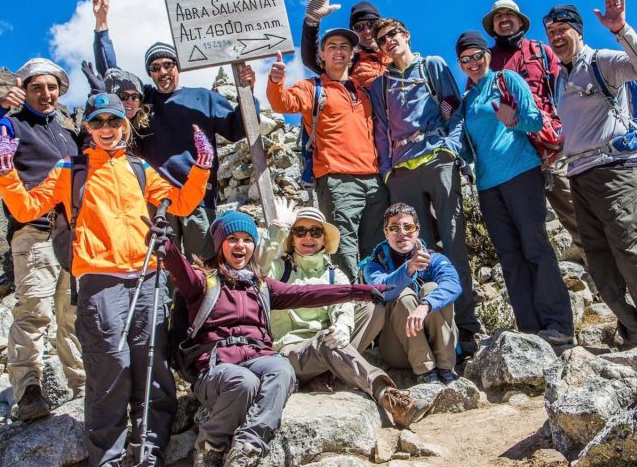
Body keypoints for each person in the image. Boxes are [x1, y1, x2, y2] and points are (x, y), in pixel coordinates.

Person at [0, 92, 212, 466]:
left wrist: (201, 167)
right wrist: (6, 172)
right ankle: (108, 457)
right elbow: (26, 208)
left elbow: (182, 203)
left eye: (114, 121)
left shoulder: (140, 169)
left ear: (124, 125)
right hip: (99, 282)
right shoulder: (68, 170)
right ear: (87, 127)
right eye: (98, 122)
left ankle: (149, 453)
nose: (106, 129)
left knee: (152, 369)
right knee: (110, 369)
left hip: (147, 279)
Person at [163, 211, 389, 467]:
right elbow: (179, 270)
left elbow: (310, 294)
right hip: (217, 367)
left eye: (247, 239)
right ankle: (210, 447)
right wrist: (167, 245)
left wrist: (359, 292)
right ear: (219, 245)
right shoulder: (203, 281)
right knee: (244, 382)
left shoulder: (261, 285)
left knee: (281, 369)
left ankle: (248, 447)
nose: (241, 246)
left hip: (258, 358)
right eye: (232, 239)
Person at [543, 0, 637, 347]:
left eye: (563, 30)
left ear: (578, 31)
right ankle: (634, 333)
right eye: (551, 33)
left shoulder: (601, 61)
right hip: (578, 176)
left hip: (615, 171)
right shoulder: (561, 78)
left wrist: (620, 29)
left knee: (629, 250)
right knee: (600, 262)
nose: (557, 38)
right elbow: (577, 129)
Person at [91, 0, 258, 260]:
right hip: (155, 199)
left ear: (178, 66)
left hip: (199, 198)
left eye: (168, 64)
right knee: (162, 270)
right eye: (155, 68)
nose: (163, 71)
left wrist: (247, 93)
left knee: (201, 269)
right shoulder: (144, 100)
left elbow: (238, 129)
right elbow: (111, 74)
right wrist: (102, 26)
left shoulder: (203, 97)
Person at [0, 58, 84, 422]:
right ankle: (29, 389)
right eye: (37, 88)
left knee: (72, 314)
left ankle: (82, 385)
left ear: (60, 92)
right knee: (35, 311)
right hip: (34, 231)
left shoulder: (68, 134)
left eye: (51, 88)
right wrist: (2, 105)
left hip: (72, 235)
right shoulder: (12, 126)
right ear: (25, 91)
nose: (45, 94)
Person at [260, 198, 431, 428]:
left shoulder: (334, 275)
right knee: (326, 341)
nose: (308, 237)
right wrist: (277, 230)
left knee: (372, 308)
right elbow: (257, 268)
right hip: (291, 351)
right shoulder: (280, 269)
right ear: (292, 239)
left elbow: (344, 306)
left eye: (315, 231)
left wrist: (343, 327)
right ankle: (388, 395)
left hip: (329, 345)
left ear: (323, 239)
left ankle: (328, 375)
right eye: (300, 231)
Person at [452, 31, 575, 345]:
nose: (473, 63)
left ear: (487, 56)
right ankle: (531, 329)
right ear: (461, 64)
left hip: (522, 172)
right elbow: (468, 151)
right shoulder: (467, 101)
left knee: (535, 247)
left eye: (477, 55)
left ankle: (559, 324)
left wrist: (513, 119)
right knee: (510, 256)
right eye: (466, 59)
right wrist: (446, 126)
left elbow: (535, 120)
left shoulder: (507, 79)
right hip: (487, 185)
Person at [368, 18, 479, 356]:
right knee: (419, 254)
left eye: (393, 35)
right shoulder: (379, 86)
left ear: (406, 35)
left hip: (437, 159)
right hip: (402, 171)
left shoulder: (432, 65)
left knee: (454, 243)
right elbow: (382, 130)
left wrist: (452, 148)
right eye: (381, 39)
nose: (388, 42)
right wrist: (388, 172)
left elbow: (454, 110)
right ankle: (435, 334)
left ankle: (466, 329)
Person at [266, 28, 389, 284]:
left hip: (375, 181)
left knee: (376, 248)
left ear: (353, 54)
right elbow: (283, 103)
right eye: (332, 46)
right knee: (344, 250)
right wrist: (276, 81)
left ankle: (377, 306)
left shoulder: (365, 89)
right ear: (321, 54)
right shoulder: (313, 88)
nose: (338, 51)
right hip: (337, 181)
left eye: (344, 46)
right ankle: (352, 306)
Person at [481, 0, 584, 264]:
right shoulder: (487, 62)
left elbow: (564, 88)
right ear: (492, 25)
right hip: (513, 153)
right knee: (527, 227)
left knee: (575, 211)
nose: (504, 19)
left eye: (509, 15)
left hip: (551, 146)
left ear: (520, 20)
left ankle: (600, 270)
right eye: (498, 16)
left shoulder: (541, 51)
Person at [363, 203, 462, 384]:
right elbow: (382, 289)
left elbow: (453, 284)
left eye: (408, 227)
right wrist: (409, 268)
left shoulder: (435, 259)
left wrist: (426, 305)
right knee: (403, 295)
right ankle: (425, 371)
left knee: (431, 289)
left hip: (436, 343)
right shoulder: (374, 265)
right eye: (394, 228)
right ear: (386, 233)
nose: (402, 233)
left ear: (417, 230)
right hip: (398, 350)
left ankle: (445, 367)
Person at [299, 0, 388, 87]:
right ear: (354, 32)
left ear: (380, 26)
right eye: (359, 27)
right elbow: (312, 61)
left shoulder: (396, 51)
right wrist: (312, 22)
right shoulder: (350, 60)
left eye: (371, 24)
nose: (367, 31)